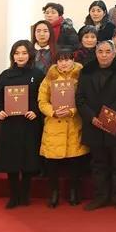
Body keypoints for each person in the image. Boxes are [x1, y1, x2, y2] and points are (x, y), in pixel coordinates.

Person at [75, 40, 116, 212]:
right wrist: (92, 117)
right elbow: (80, 99)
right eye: (100, 51)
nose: (104, 55)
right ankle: (100, 196)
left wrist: (107, 117)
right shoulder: (86, 72)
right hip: (93, 124)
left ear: (114, 53)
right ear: (96, 53)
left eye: (108, 52)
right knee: (98, 164)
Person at [0, 40, 44, 208]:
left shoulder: (37, 74)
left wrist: (35, 110)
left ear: (30, 55)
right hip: (10, 123)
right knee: (11, 160)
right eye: (17, 53)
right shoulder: (5, 75)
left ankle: (25, 194)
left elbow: (43, 97)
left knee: (28, 160)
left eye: (23, 53)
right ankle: (14, 196)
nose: (20, 56)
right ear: (12, 56)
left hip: (29, 123)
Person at [38, 48, 89, 208]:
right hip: (54, 124)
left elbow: (86, 98)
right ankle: (54, 193)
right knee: (52, 164)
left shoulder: (81, 76)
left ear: (73, 60)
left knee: (75, 162)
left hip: (74, 123)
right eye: (60, 60)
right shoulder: (50, 77)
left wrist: (73, 110)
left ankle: (74, 191)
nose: (64, 63)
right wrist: (52, 112)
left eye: (67, 59)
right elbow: (42, 100)